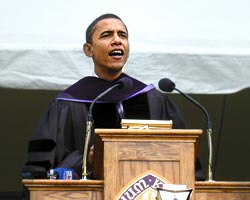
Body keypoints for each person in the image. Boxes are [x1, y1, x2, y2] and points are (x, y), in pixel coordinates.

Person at [22, 13, 203, 182]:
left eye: (122, 35)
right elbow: (43, 170)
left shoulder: (153, 98)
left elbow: (184, 156)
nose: (117, 40)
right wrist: (87, 159)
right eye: (107, 35)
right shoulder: (67, 103)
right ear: (88, 50)